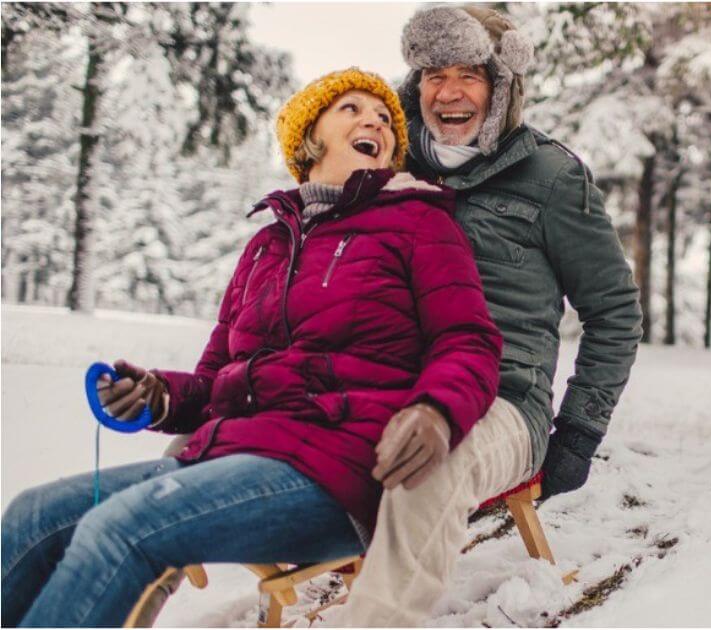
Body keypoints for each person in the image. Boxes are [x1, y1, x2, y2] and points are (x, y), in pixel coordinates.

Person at [0, 67, 503, 627]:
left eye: (385, 118)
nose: (376, 123)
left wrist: (435, 410)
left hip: (338, 465)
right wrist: (157, 395)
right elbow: (215, 378)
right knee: (31, 516)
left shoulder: (417, 223)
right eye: (353, 110)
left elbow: (469, 342)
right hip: (232, 455)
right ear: (310, 138)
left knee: (122, 526)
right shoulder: (267, 245)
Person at [343, 6, 642, 625]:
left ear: (501, 86)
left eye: (469, 75)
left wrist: (579, 434)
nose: (449, 92)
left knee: (430, 457)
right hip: (391, 384)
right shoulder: (389, 171)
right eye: (433, 74)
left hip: (501, 403)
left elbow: (614, 312)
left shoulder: (553, 178)